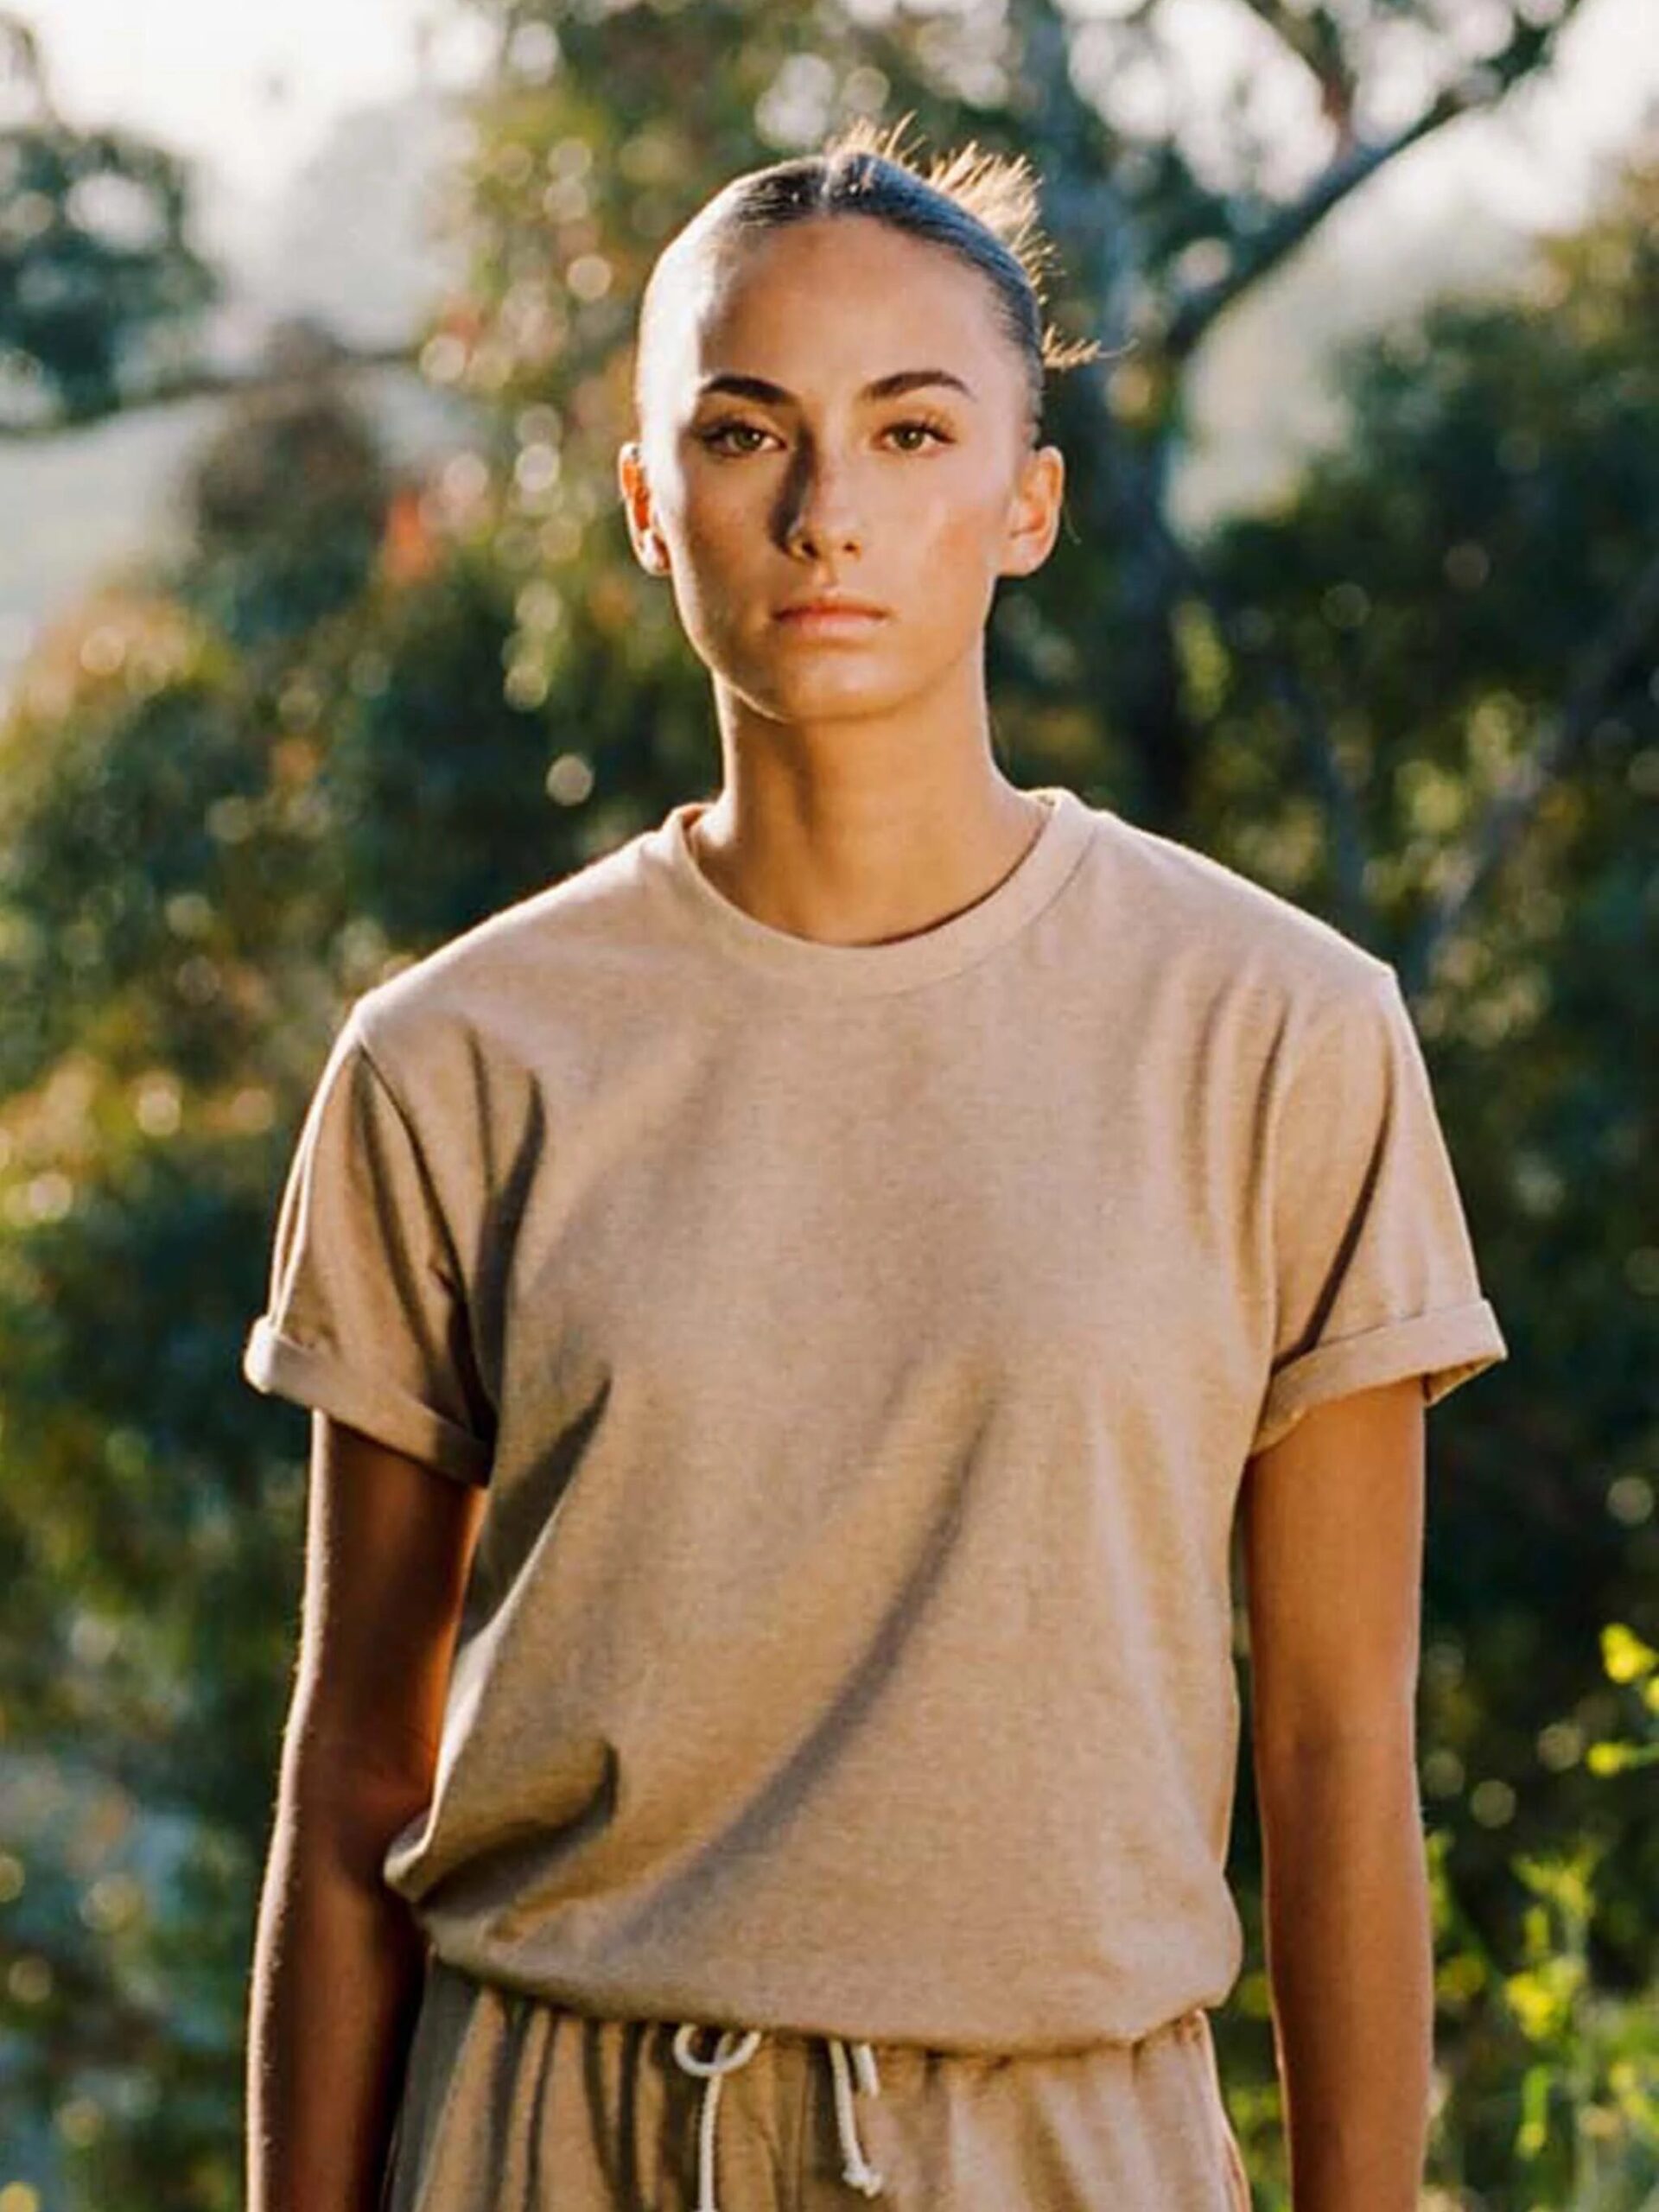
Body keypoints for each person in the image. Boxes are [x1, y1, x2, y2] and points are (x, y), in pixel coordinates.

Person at [240, 114, 1509, 2212]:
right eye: (749, 435)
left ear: (1028, 505)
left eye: (914, 435)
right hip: (545, 2143)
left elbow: (1335, 1754)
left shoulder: (1283, 1029)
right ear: (652, 507)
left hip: (1071, 2144)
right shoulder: (453, 1060)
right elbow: (353, 1763)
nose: (828, 513)